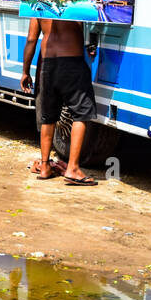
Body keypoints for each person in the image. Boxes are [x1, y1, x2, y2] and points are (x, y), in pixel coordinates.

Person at [21, 18, 98, 186]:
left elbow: (31, 39)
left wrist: (25, 71)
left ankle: (45, 167)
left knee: (48, 116)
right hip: (72, 62)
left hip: (48, 64)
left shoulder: (39, 2)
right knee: (81, 112)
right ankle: (73, 169)